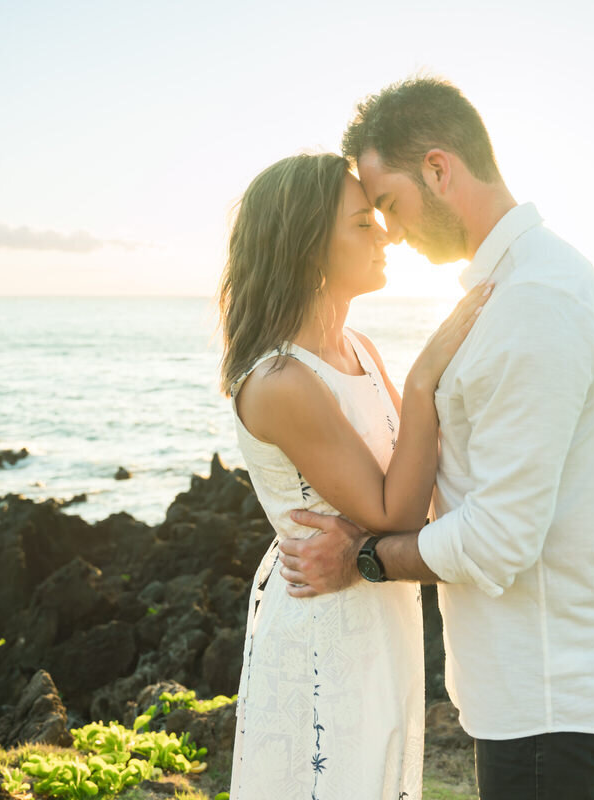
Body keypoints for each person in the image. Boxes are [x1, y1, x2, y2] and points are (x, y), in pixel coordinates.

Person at [277, 78, 594, 800]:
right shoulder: (512, 288)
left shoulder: (535, 303)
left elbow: (499, 541)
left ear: (439, 168)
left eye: (389, 203)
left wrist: (361, 559)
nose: (389, 228)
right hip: (531, 677)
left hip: (551, 683)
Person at [219, 151, 491, 800]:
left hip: (381, 612)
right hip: (325, 628)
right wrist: (425, 378)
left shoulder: (361, 350)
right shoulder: (282, 381)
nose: (386, 234)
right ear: (309, 246)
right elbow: (396, 514)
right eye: (362, 223)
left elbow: (413, 491)